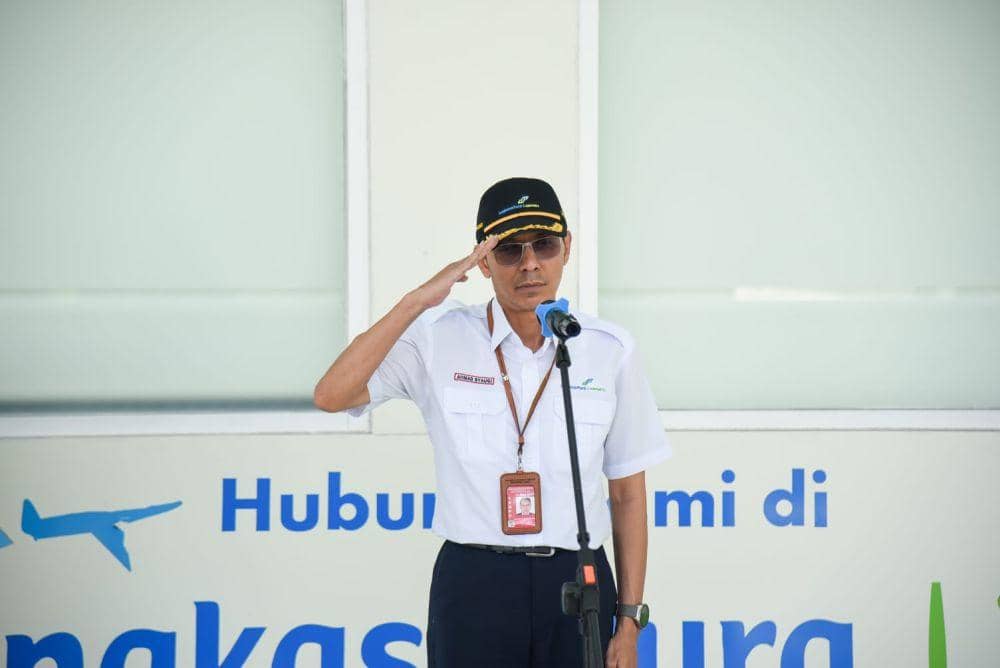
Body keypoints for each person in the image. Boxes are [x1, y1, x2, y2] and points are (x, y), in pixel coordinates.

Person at [314, 176, 671, 667]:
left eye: (543, 245)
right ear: (483, 262)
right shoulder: (438, 339)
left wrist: (627, 623)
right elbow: (332, 394)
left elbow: (628, 493)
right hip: (474, 582)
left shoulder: (607, 350)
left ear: (567, 248)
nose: (529, 264)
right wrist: (416, 301)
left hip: (576, 581)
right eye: (508, 250)